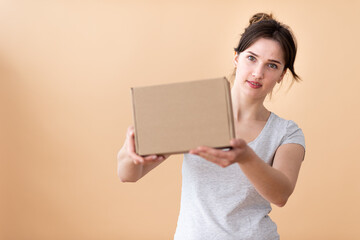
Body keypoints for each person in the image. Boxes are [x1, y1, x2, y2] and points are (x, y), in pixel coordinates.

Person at [117, 12, 305, 240]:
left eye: (272, 65)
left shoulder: (286, 132)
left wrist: (246, 157)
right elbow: (128, 174)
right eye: (251, 58)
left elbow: (281, 194)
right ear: (236, 57)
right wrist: (133, 152)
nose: (258, 72)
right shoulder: (196, 115)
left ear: (282, 75)